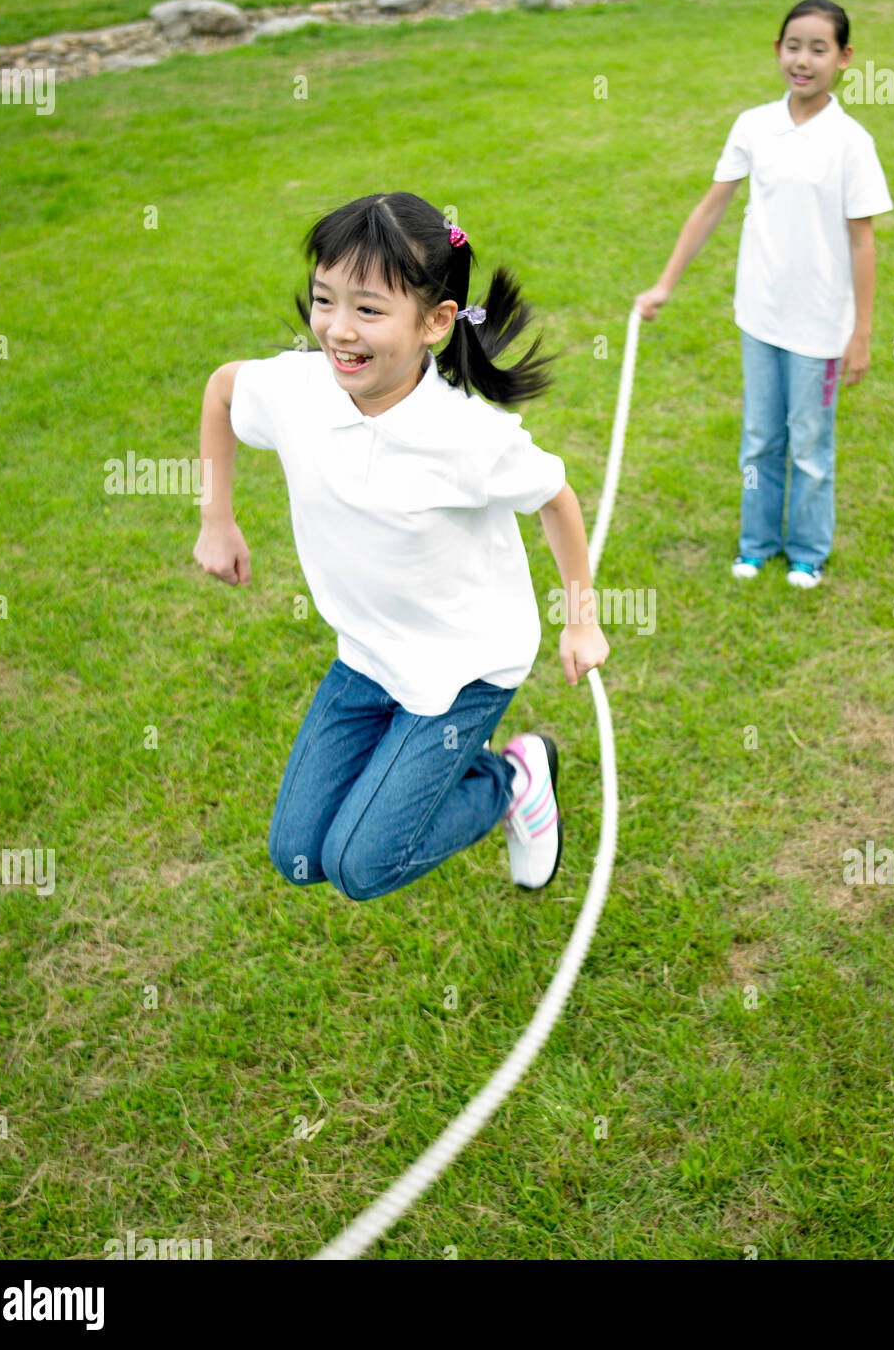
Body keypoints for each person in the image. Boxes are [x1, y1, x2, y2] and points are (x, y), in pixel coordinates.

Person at [192, 193, 608, 899]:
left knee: (362, 866)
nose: (338, 329)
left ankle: (513, 780)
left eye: (369, 309)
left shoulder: (466, 436)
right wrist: (216, 518)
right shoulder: (297, 390)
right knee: (299, 855)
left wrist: (582, 620)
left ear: (436, 322)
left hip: (466, 667)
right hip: (367, 655)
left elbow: (556, 498)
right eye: (325, 299)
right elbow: (223, 392)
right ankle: (462, 771)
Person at [636, 0, 893, 589]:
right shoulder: (753, 126)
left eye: (819, 49)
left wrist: (861, 332)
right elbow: (711, 208)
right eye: (793, 46)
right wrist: (664, 285)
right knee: (758, 441)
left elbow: (863, 242)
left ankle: (807, 552)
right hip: (760, 315)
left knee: (809, 444)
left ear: (844, 58)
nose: (803, 60)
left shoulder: (851, 142)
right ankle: (755, 545)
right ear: (778, 50)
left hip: (820, 327)